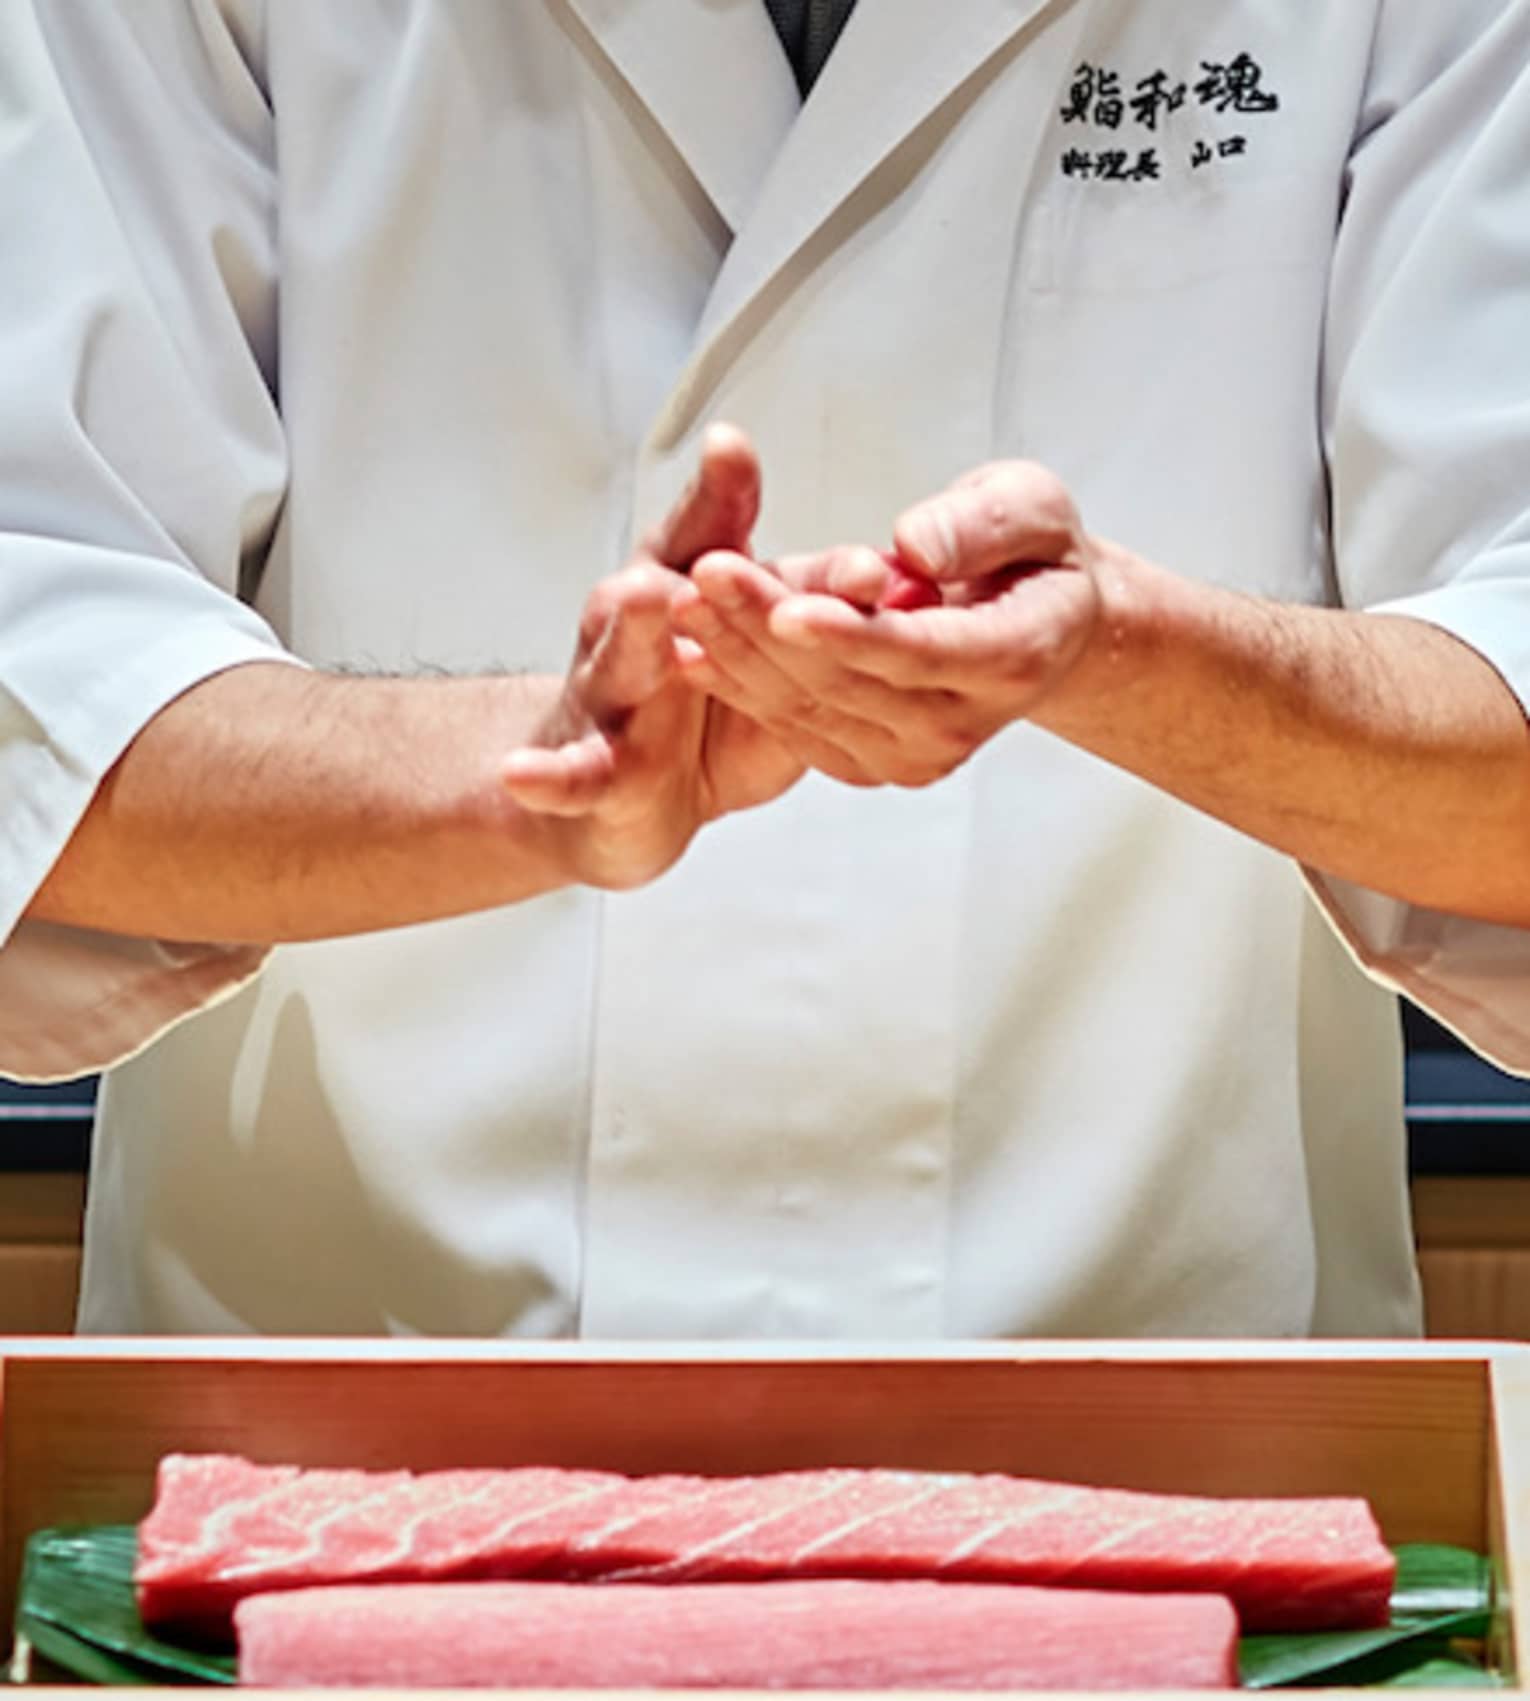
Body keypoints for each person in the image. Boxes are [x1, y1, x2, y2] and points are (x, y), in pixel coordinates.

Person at [2, 0, 1529, 1338]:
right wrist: (527, 790)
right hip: (338, 1427)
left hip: (1167, 1432)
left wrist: (1139, 657)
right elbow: (42, 661)